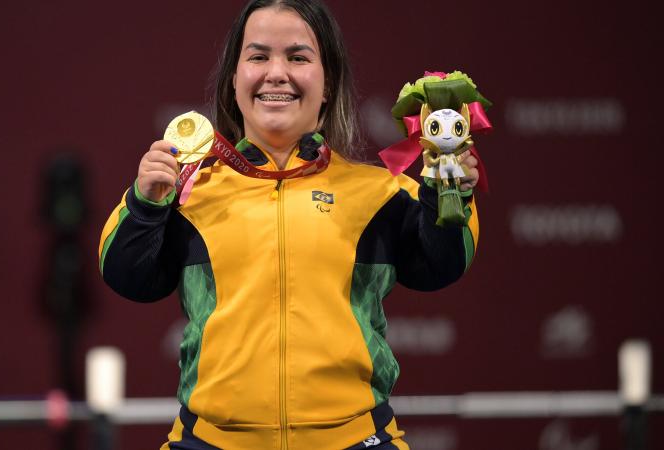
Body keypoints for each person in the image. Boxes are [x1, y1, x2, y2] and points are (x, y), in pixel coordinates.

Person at [98, 1, 480, 448]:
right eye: (258, 56)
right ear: (234, 81)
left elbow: (443, 264)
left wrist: (448, 192)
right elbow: (127, 277)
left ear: (327, 83)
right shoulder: (187, 191)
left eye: (298, 57)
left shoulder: (380, 193)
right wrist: (145, 205)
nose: (276, 72)